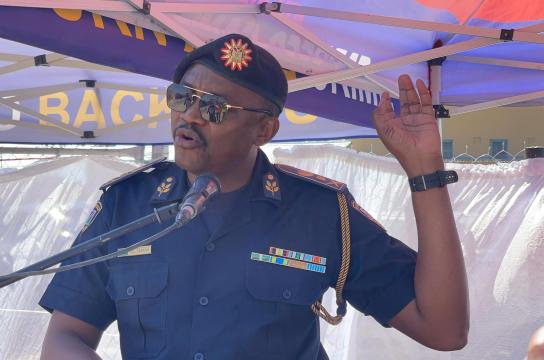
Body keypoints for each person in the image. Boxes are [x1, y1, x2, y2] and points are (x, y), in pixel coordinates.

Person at [39, 34, 469, 359]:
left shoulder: (320, 212)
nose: (189, 115)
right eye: (182, 98)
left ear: (263, 130)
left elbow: (444, 330)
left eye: (213, 108)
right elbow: (65, 336)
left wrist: (424, 171)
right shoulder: (125, 206)